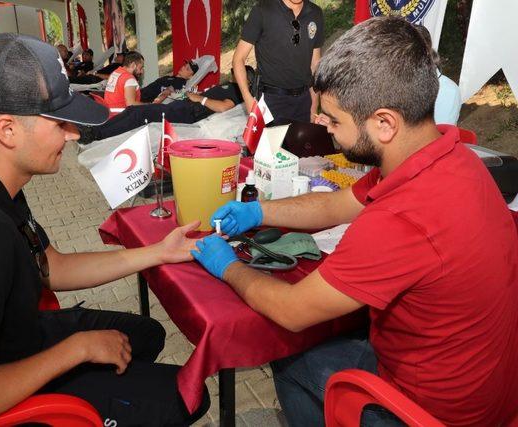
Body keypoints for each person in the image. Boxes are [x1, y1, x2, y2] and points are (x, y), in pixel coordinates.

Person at [192, 17, 518, 426]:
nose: (324, 130)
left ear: (384, 123)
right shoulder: (443, 152)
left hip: (431, 413)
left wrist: (229, 267)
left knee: (285, 348)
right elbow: (337, 205)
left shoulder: (401, 218)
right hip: (484, 383)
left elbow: (291, 310)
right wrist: (259, 211)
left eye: (333, 119)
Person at [0, 33, 209, 426]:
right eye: (59, 122)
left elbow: (50, 268)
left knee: (147, 335)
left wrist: (159, 252)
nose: (72, 135)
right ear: (7, 130)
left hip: (2, 343)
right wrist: (77, 349)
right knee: (190, 397)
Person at [89, 68, 250, 142]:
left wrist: (199, 98)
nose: (232, 72)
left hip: (188, 113)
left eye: (236, 71)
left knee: (139, 113)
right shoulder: (228, 85)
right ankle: (96, 130)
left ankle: (96, 135)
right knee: (134, 109)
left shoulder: (237, 91)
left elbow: (224, 107)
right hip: (182, 107)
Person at [232, 0, 324, 125]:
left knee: (300, 144)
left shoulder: (315, 13)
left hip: (303, 101)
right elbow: (238, 59)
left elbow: (315, 64)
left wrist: (314, 104)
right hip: (270, 102)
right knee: (269, 145)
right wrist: (247, 98)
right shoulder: (262, 10)